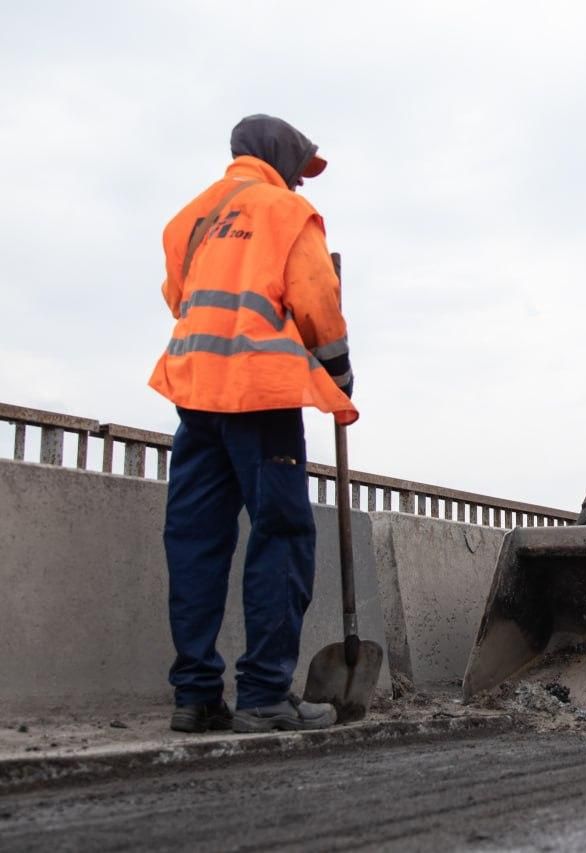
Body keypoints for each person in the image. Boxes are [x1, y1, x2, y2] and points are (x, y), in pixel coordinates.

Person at [149, 114, 359, 734]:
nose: (301, 181)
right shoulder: (289, 214)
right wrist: (340, 374)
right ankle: (265, 695)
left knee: (194, 541)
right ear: (279, 158)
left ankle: (195, 696)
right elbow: (317, 302)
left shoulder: (188, 217)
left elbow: (179, 295)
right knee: (283, 535)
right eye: (299, 168)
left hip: (194, 393)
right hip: (260, 399)